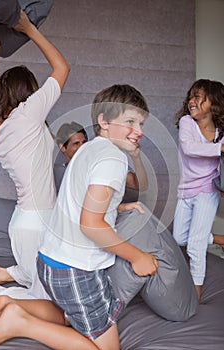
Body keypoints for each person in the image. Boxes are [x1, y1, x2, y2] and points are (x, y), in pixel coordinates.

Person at [36, 84, 158, 350]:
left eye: (141, 123)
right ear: (103, 121)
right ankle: (18, 322)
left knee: (74, 317)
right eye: (130, 121)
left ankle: (14, 308)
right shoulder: (111, 158)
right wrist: (137, 257)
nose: (139, 130)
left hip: (49, 260)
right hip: (75, 270)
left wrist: (117, 206)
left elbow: (138, 186)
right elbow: (91, 224)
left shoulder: (89, 150)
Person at [0, 10, 70, 298]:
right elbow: (62, 68)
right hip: (37, 224)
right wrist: (29, 29)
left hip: (23, 222)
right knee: (48, 301)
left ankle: (4, 273)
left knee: (32, 274)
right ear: (29, 94)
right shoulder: (29, 113)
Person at [173, 78, 224, 303]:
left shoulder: (221, 132)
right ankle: (218, 238)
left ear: (213, 102)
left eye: (198, 97)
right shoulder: (187, 123)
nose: (192, 101)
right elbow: (190, 148)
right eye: (191, 96)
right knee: (179, 238)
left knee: (195, 245)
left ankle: (196, 295)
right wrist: (219, 147)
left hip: (207, 189)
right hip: (186, 189)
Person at [53, 121, 88, 192]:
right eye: (76, 143)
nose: (82, 147)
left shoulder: (94, 170)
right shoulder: (57, 177)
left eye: (84, 142)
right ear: (62, 147)